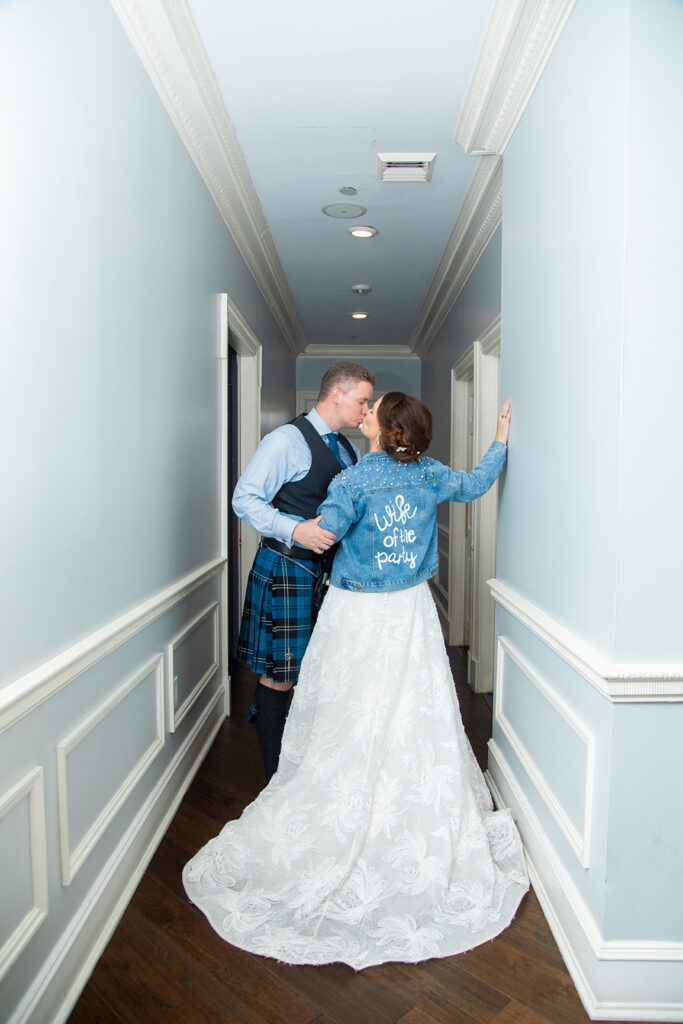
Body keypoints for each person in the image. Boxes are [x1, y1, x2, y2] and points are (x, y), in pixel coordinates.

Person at [183, 392, 529, 970]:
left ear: (383, 429)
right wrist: (500, 439)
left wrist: (289, 530)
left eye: (373, 410)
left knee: (350, 705)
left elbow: (327, 532)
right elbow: (474, 486)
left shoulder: (351, 483)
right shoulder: (432, 473)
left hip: (359, 611)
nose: (364, 414)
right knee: (410, 704)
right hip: (412, 611)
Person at [232, 361, 375, 783]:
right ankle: (276, 781)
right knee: (280, 675)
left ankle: (306, 767)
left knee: (315, 671)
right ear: (337, 394)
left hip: (327, 576)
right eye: (362, 401)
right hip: (286, 569)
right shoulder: (286, 441)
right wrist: (296, 529)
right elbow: (245, 499)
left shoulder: (347, 449)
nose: (366, 410)